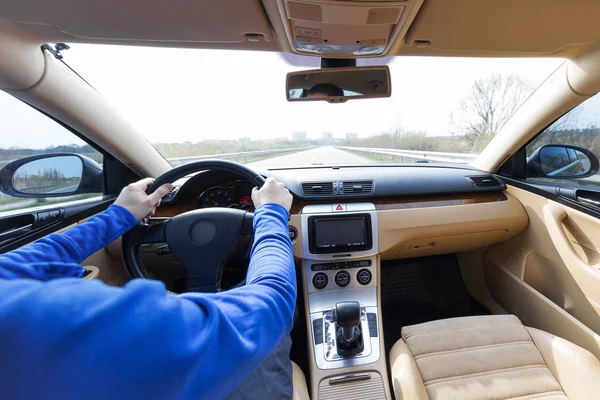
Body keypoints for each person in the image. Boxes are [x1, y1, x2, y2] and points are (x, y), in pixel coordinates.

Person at [0, 176, 296, 400]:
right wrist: (271, 215)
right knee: (269, 343)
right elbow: (269, 306)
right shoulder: (61, 327)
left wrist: (119, 216)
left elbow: (27, 261)